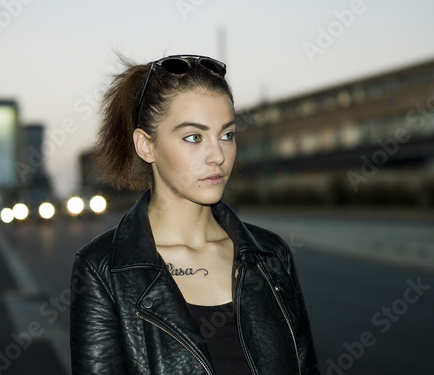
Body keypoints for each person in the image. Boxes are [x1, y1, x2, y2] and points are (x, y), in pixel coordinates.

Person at [70, 54, 320, 375]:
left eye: (227, 135)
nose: (217, 155)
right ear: (146, 146)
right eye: (194, 137)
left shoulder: (271, 254)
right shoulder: (104, 270)